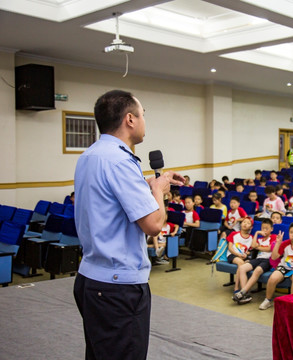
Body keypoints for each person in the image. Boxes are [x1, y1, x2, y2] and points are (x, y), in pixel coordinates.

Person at [73, 90, 185, 359]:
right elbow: (154, 224)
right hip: (117, 287)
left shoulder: (91, 155)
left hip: (91, 278)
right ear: (130, 119)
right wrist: (158, 188)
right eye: (143, 114)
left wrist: (149, 183)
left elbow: (110, 199)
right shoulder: (121, 160)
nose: (145, 121)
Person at [233, 219, 276, 304]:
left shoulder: (273, 237)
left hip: (267, 260)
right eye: (263, 228)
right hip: (258, 259)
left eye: (267, 228)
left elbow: (269, 249)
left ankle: (242, 292)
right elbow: (253, 246)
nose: (264, 230)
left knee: (257, 270)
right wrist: (256, 233)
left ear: (271, 229)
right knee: (242, 268)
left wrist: (258, 247)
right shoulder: (259, 238)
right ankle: (245, 294)